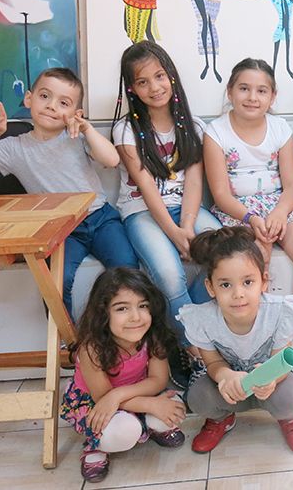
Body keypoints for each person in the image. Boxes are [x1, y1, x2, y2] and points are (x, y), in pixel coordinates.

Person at [0, 68, 139, 316]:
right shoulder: (15, 148)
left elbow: (112, 160)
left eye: (64, 103)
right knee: (56, 283)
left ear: (76, 114)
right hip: (60, 229)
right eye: (44, 96)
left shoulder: (76, 136)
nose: (51, 106)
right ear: (28, 98)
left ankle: (118, 329)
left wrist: (87, 129)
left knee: (128, 270)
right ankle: (66, 336)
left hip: (100, 218)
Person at [203, 58, 293, 392]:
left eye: (262, 90)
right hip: (239, 211)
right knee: (253, 260)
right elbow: (220, 194)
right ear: (230, 92)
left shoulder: (279, 129)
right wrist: (252, 219)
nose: (252, 97)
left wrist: (278, 213)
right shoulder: (215, 132)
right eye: (244, 88)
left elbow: (292, 185)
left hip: (280, 205)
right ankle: (259, 352)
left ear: (272, 96)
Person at [111, 40, 222, 381]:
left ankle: (203, 339)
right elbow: (146, 189)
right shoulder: (126, 130)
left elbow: (194, 182)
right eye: (143, 82)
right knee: (170, 274)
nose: (154, 87)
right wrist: (174, 234)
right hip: (142, 212)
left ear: (171, 76)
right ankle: (192, 351)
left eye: (159, 76)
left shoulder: (194, 126)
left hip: (185, 209)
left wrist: (186, 224)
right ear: (132, 89)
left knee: (221, 254)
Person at [180, 227, 293, 454]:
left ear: (263, 281)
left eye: (248, 282)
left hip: (270, 383)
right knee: (198, 397)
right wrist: (225, 376)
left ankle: (289, 418)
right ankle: (222, 418)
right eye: (225, 285)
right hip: (233, 387)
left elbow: (282, 360)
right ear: (210, 287)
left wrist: (271, 380)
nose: (238, 293)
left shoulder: (279, 312)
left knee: (289, 400)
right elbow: (212, 363)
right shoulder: (203, 319)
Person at [61, 268, 186, 483]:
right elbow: (103, 399)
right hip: (98, 404)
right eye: (122, 308)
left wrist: (118, 394)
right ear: (103, 312)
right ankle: (95, 448)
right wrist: (150, 405)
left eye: (143, 306)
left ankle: (150, 427)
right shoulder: (91, 349)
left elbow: (158, 381)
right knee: (125, 431)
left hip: (130, 393)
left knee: (175, 405)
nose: (136, 317)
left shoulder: (153, 337)